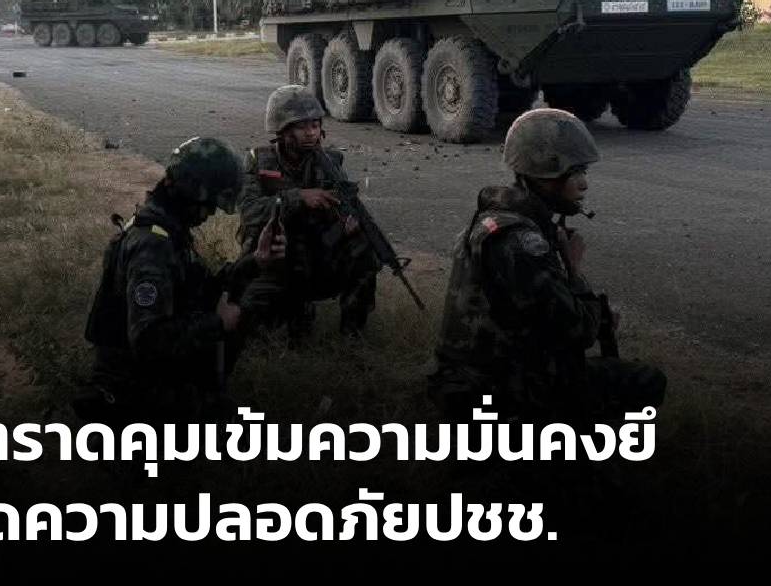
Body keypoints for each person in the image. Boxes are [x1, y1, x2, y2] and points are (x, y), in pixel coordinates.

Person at [428, 108, 665, 423]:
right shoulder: (520, 241)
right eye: (575, 172)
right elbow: (579, 331)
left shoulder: (499, 219)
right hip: (494, 393)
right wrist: (574, 270)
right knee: (647, 382)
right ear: (544, 174)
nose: (584, 184)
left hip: (473, 383)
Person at [80, 136, 283, 424]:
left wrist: (256, 261)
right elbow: (149, 340)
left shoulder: (166, 227)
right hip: (132, 387)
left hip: (145, 374)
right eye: (208, 205)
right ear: (192, 194)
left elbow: (199, 289)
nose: (209, 214)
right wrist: (218, 323)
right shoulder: (153, 246)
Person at [236, 85, 380, 343]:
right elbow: (250, 212)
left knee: (363, 246)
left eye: (315, 125)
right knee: (261, 330)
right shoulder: (260, 161)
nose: (311, 132)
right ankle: (289, 313)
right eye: (302, 126)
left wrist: (347, 222)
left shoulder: (329, 162)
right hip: (275, 257)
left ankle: (352, 334)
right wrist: (298, 197)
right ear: (282, 130)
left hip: (317, 253)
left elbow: (342, 205)